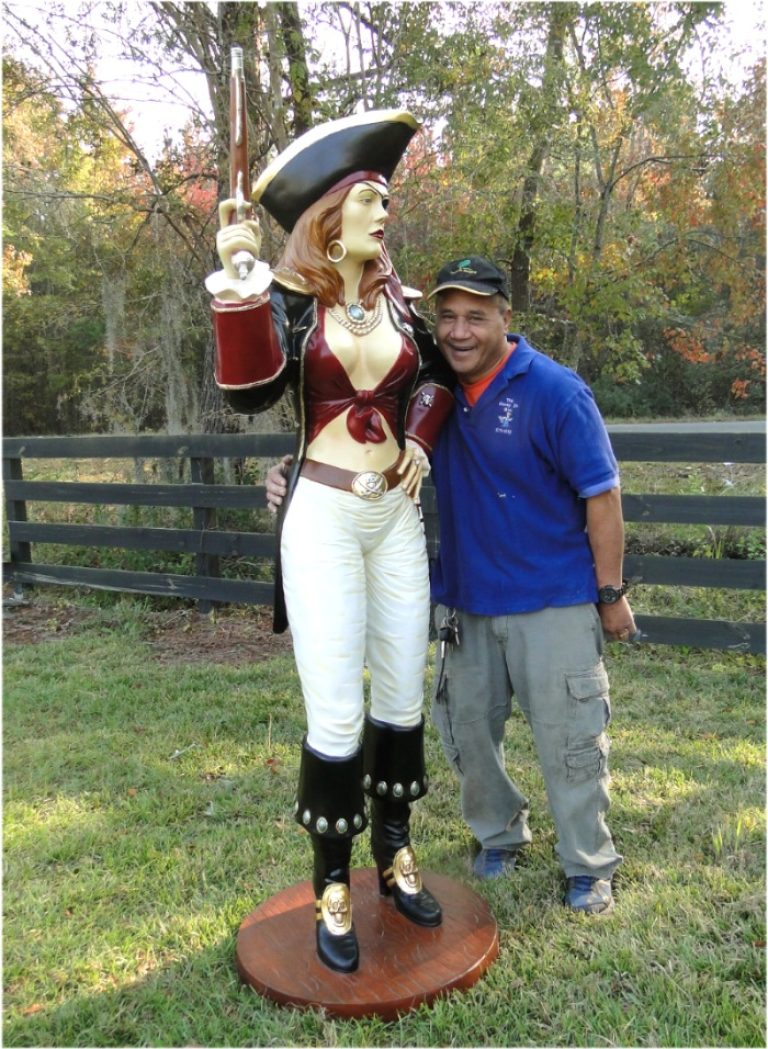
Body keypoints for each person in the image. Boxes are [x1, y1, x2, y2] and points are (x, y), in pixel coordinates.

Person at [268, 255, 636, 916]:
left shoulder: (553, 390)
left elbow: (602, 496)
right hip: (465, 600)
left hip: (550, 599)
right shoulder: (429, 394)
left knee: (571, 737)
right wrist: (291, 478)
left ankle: (588, 862)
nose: (459, 330)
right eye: (448, 316)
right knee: (468, 731)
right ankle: (499, 835)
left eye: (475, 315)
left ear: (505, 317)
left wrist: (609, 594)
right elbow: (353, 435)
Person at [206, 110, 455, 973]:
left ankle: (396, 852)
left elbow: (434, 383)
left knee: (401, 687)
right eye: (371, 200)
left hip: (393, 516)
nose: (384, 215)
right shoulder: (291, 305)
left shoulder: (399, 301)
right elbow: (248, 391)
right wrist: (239, 285)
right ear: (331, 216)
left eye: (386, 200)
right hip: (320, 514)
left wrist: (419, 436)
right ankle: (332, 882)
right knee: (336, 703)